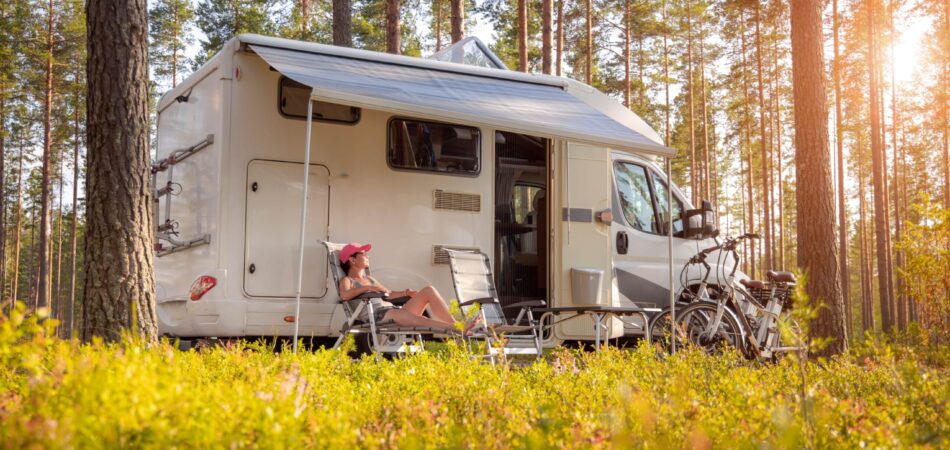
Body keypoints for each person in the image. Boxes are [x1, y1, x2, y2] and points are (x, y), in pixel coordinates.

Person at [338, 243, 478, 334]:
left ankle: (456, 325)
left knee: (429, 290)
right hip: (378, 316)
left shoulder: (370, 279)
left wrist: (405, 293)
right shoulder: (347, 280)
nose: (367, 256)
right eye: (363, 253)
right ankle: (456, 329)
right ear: (352, 260)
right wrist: (367, 288)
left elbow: (389, 294)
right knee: (419, 319)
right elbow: (345, 295)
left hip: (392, 311)